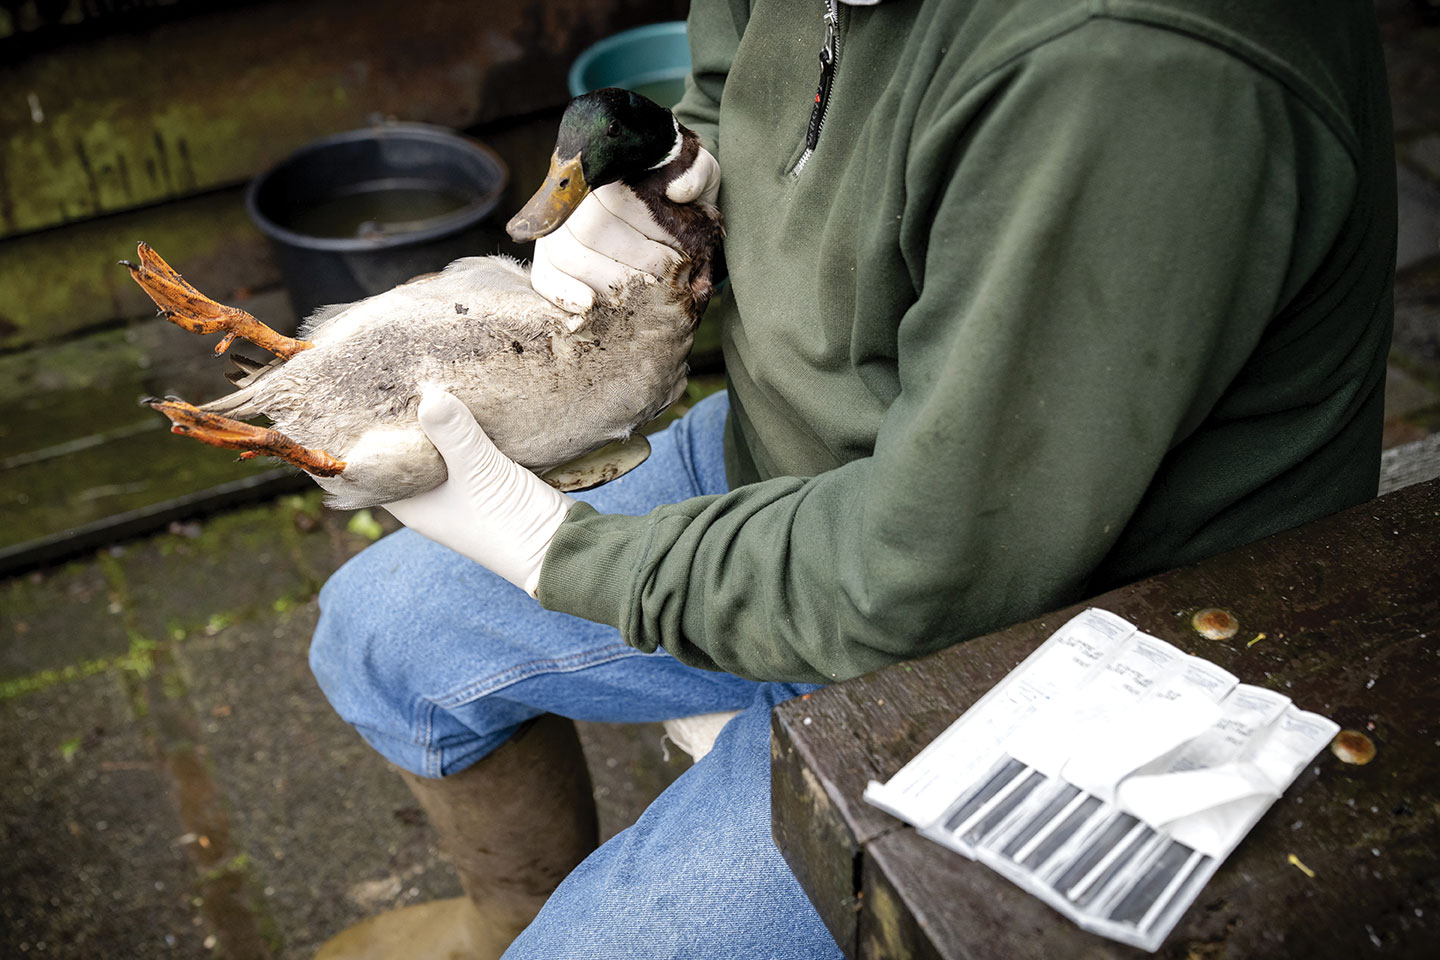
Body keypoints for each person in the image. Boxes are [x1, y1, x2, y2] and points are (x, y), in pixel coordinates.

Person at [308, 0, 1396, 957]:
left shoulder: (1128, 67)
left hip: (1064, 637)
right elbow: (752, 72)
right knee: (376, 630)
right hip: (822, 462)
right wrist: (682, 189)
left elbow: (930, 567)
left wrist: (567, 553)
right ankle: (505, 919)